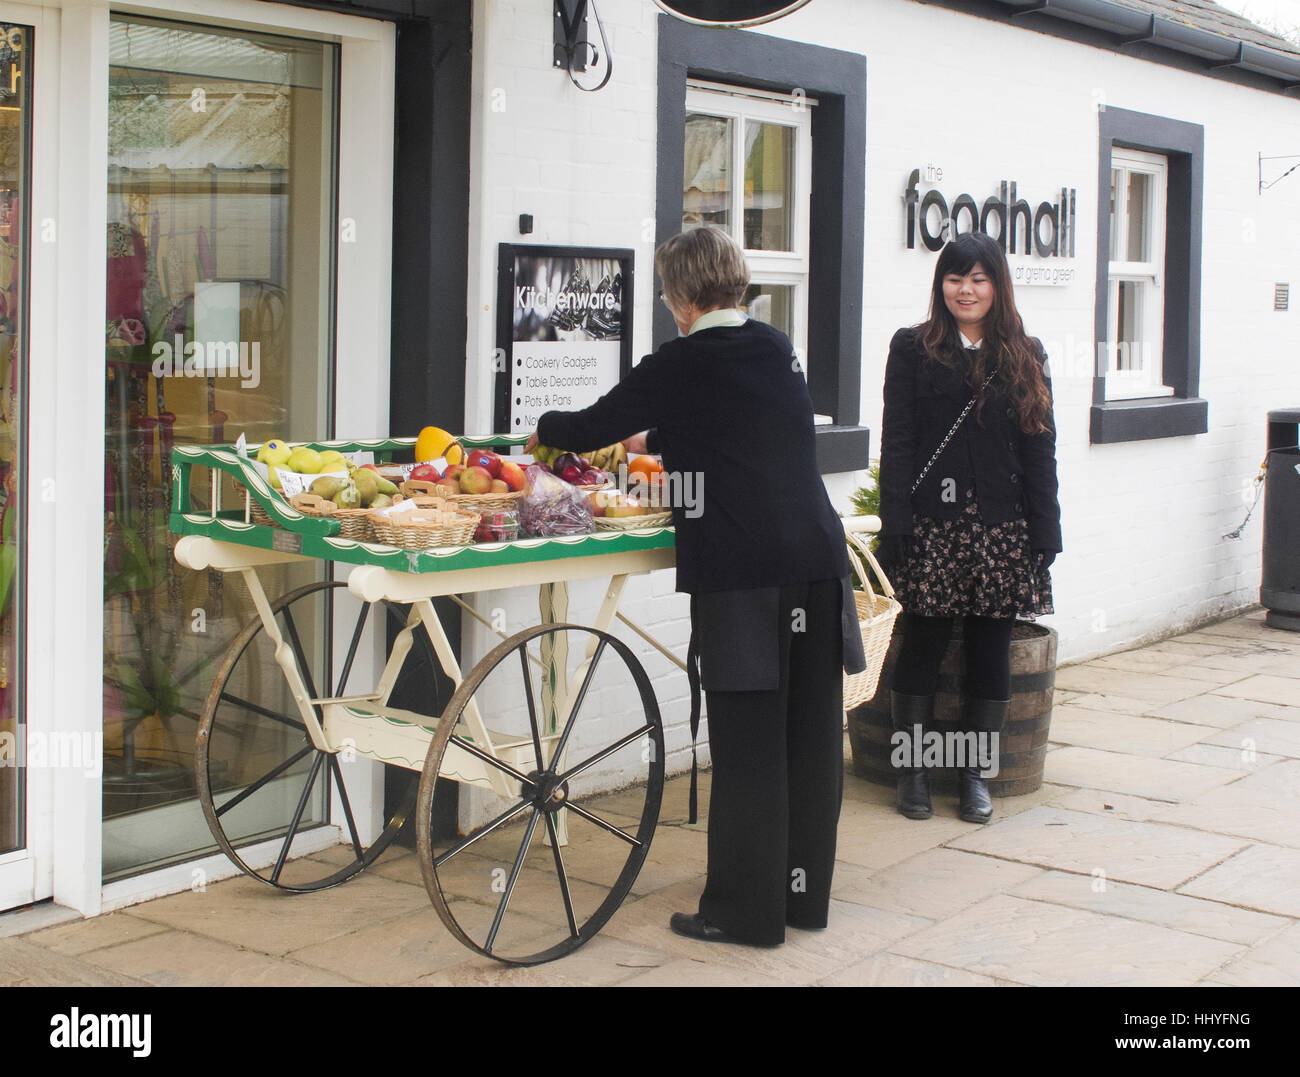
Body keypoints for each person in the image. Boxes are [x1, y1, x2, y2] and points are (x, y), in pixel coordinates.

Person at [526, 226, 866, 947]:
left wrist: (540, 430)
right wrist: (663, 440)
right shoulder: (777, 348)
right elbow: (744, 431)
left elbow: (586, 429)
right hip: (816, 560)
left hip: (746, 576)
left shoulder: (679, 362)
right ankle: (802, 901)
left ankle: (743, 913)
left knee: (747, 745)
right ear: (737, 283)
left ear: (679, 298)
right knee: (808, 740)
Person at [877, 231, 1060, 825]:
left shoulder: (1025, 352)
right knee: (923, 645)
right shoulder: (912, 348)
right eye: (956, 278)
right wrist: (896, 520)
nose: (966, 289)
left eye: (979, 278)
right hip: (935, 526)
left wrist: (1045, 526)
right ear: (941, 285)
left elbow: (1039, 447)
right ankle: (913, 774)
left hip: (1003, 528)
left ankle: (975, 777)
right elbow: (898, 442)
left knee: (990, 651)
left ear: (997, 285)